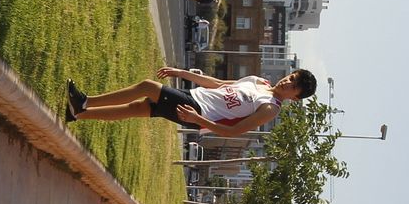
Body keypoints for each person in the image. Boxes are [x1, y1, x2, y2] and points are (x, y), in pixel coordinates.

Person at [65, 67, 316, 136]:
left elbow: (234, 131)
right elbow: (218, 84)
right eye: (291, 78)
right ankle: (78, 115)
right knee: (138, 107)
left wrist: (198, 120)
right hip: (194, 97)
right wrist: (183, 73)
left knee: (147, 87)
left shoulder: (270, 108)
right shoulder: (259, 81)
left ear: (294, 97)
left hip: (196, 112)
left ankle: (84, 102)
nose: (287, 83)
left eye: (293, 87)